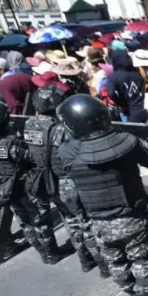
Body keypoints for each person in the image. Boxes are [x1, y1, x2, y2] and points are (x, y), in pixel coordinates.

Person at [57, 94, 148, 296]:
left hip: (97, 221)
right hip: (132, 215)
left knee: (116, 263)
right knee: (144, 261)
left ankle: (137, 295)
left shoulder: (67, 151)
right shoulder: (126, 141)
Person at [24, 86, 106, 269]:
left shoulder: (29, 124)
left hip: (47, 181)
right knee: (85, 223)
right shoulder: (61, 129)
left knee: (70, 221)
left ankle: (85, 260)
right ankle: (102, 264)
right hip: (67, 180)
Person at [0, 101, 56, 264]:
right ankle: (51, 253)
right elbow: (35, 160)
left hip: (6, 188)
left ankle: (42, 254)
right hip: (27, 186)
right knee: (39, 220)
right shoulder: (14, 144)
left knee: (25, 222)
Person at [108, 49, 148, 123]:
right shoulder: (137, 72)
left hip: (131, 111)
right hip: (147, 109)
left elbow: (111, 93)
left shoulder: (113, 77)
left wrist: (121, 102)